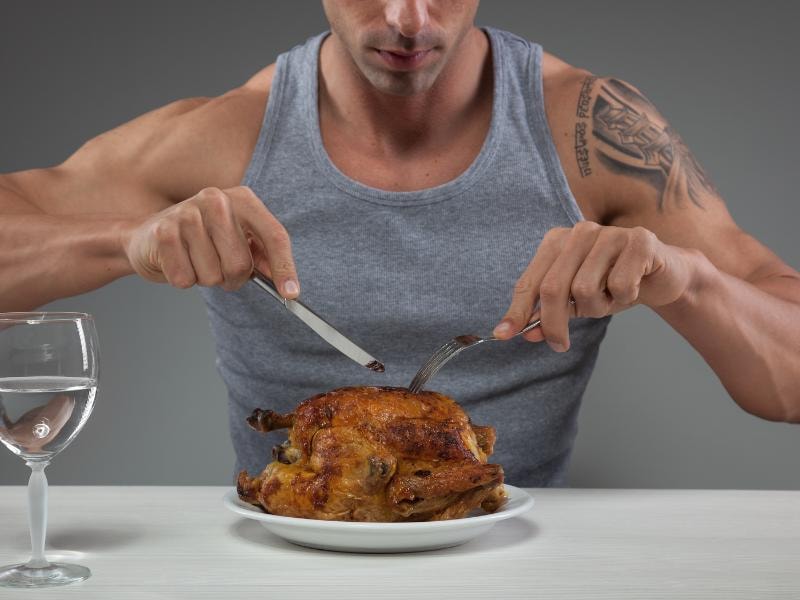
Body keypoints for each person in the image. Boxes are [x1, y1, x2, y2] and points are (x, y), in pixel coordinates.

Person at [1, 1, 798, 487]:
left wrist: (689, 281)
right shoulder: (223, 135)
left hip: (532, 569)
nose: (407, 19)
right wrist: (126, 240)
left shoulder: (591, 131)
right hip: (278, 566)